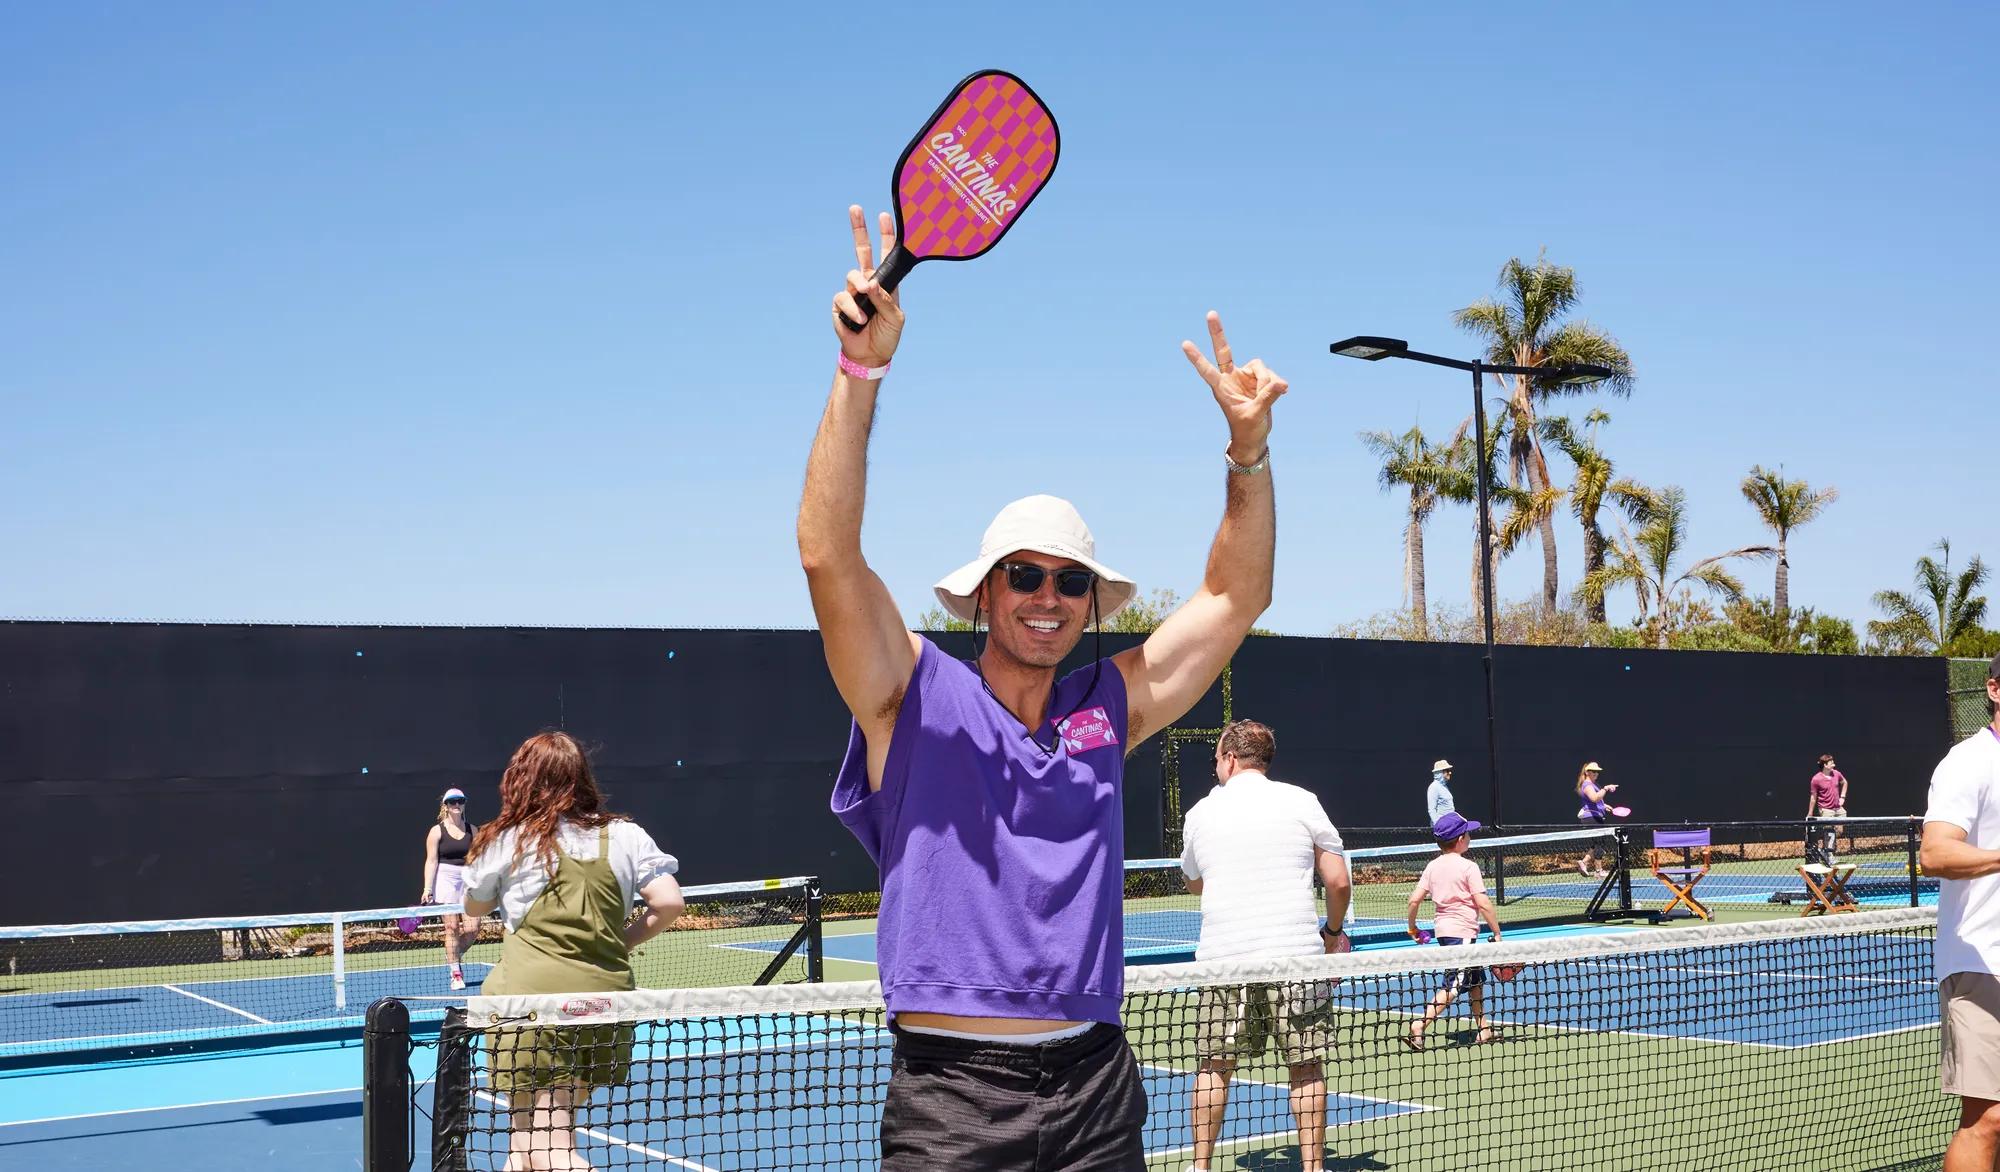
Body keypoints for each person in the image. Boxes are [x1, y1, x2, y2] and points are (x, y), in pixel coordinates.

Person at [801, 205, 1285, 1171]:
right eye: (1023, 575)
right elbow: (828, 553)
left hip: (1099, 1088)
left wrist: (1248, 453)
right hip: (950, 1102)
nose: (1047, 597)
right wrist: (860, 374)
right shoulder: (911, 693)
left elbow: (1236, 595)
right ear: (984, 594)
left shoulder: (1110, 703)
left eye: (1069, 580)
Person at [461, 732, 685, 1172]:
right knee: (522, 1147)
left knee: (552, 1150)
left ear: (521, 779)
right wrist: (618, 942)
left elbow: (474, 905)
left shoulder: (509, 838)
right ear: (582, 778)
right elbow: (669, 902)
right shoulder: (626, 835)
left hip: (531, 1005)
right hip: (605, 1003)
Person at [1178, 720, 1352, 1172]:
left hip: (1223, 963)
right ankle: (1313, 1168)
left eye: (1216, 757)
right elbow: (1337, 879)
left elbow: (1195, 884)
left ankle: (1200, 1168)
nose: (1215, 765)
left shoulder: (1199, 814)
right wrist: (1332, 935)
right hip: (1296, 958)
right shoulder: (1302, 801)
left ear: (1231, 759)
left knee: (1214, 1065)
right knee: (1307, 1066)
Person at [1920, 652, 2000, 1172]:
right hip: (1981, 962)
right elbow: (1935, 853)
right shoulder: (1967, 762)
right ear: (1995, 690)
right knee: (1991, 1117)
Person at [1404, 812, 1504, 1050]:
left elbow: (1413, 901)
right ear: (1460, 839)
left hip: (1444, 933)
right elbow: (1483, 903)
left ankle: (1484, 1029)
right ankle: (1419, 1025)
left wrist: (1412, 928)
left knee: (1475, 980)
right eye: (1467, 832)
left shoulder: (1432, 866)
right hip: (1463, 935)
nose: (1470, 836)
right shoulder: (1469, 867)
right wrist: (1497, 933)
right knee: (1455, 984)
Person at [421, 786, 483, 991]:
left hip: (467, 879)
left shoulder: (473, 830)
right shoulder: (436, 831)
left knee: (473, 929)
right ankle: (456, 972)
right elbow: (431, 861)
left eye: (460, 801)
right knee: (452, 928)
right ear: (445, 806)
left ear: (464, 804)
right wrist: (427, 888)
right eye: (452, 801)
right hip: (445, 879)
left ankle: (452, 955)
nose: (456, 805)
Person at [1806, 753, 1850, 866]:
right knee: (1829, 832)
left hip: (1838, 808)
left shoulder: (1837, 774)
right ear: (1825, 765)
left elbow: (1844, 782)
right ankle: (1829, 855)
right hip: (1826, 810)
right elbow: (1813, 797)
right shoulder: (1816, 779)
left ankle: (1824, 850)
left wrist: (1842, 797)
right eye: (1831, 761)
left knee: (1838, 831)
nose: (1833, 763)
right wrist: (1810, 813)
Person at [1575, 761, 1617, 878]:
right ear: (1587, 772)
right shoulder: (1587, 785)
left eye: (1597, 772)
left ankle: (1583, 862)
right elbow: (1594, 798)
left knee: (1597, 843)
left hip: (1595, 816)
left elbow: (1594, 801)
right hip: (1591, 818)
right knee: (1600, 843)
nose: (1596, 773)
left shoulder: (1592, 785)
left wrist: (1604, 806)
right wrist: (1606, 788)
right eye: (1593, 771)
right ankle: (1599, 871)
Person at [1425, 759, 1456, 825]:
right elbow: (1431, 810)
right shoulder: (1434, 787)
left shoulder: (1444, 787)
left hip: (1450, 824)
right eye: (1447, 771)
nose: (1450, 773)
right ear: (1440, 773)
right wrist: (1439, 825)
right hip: (1442, 827)